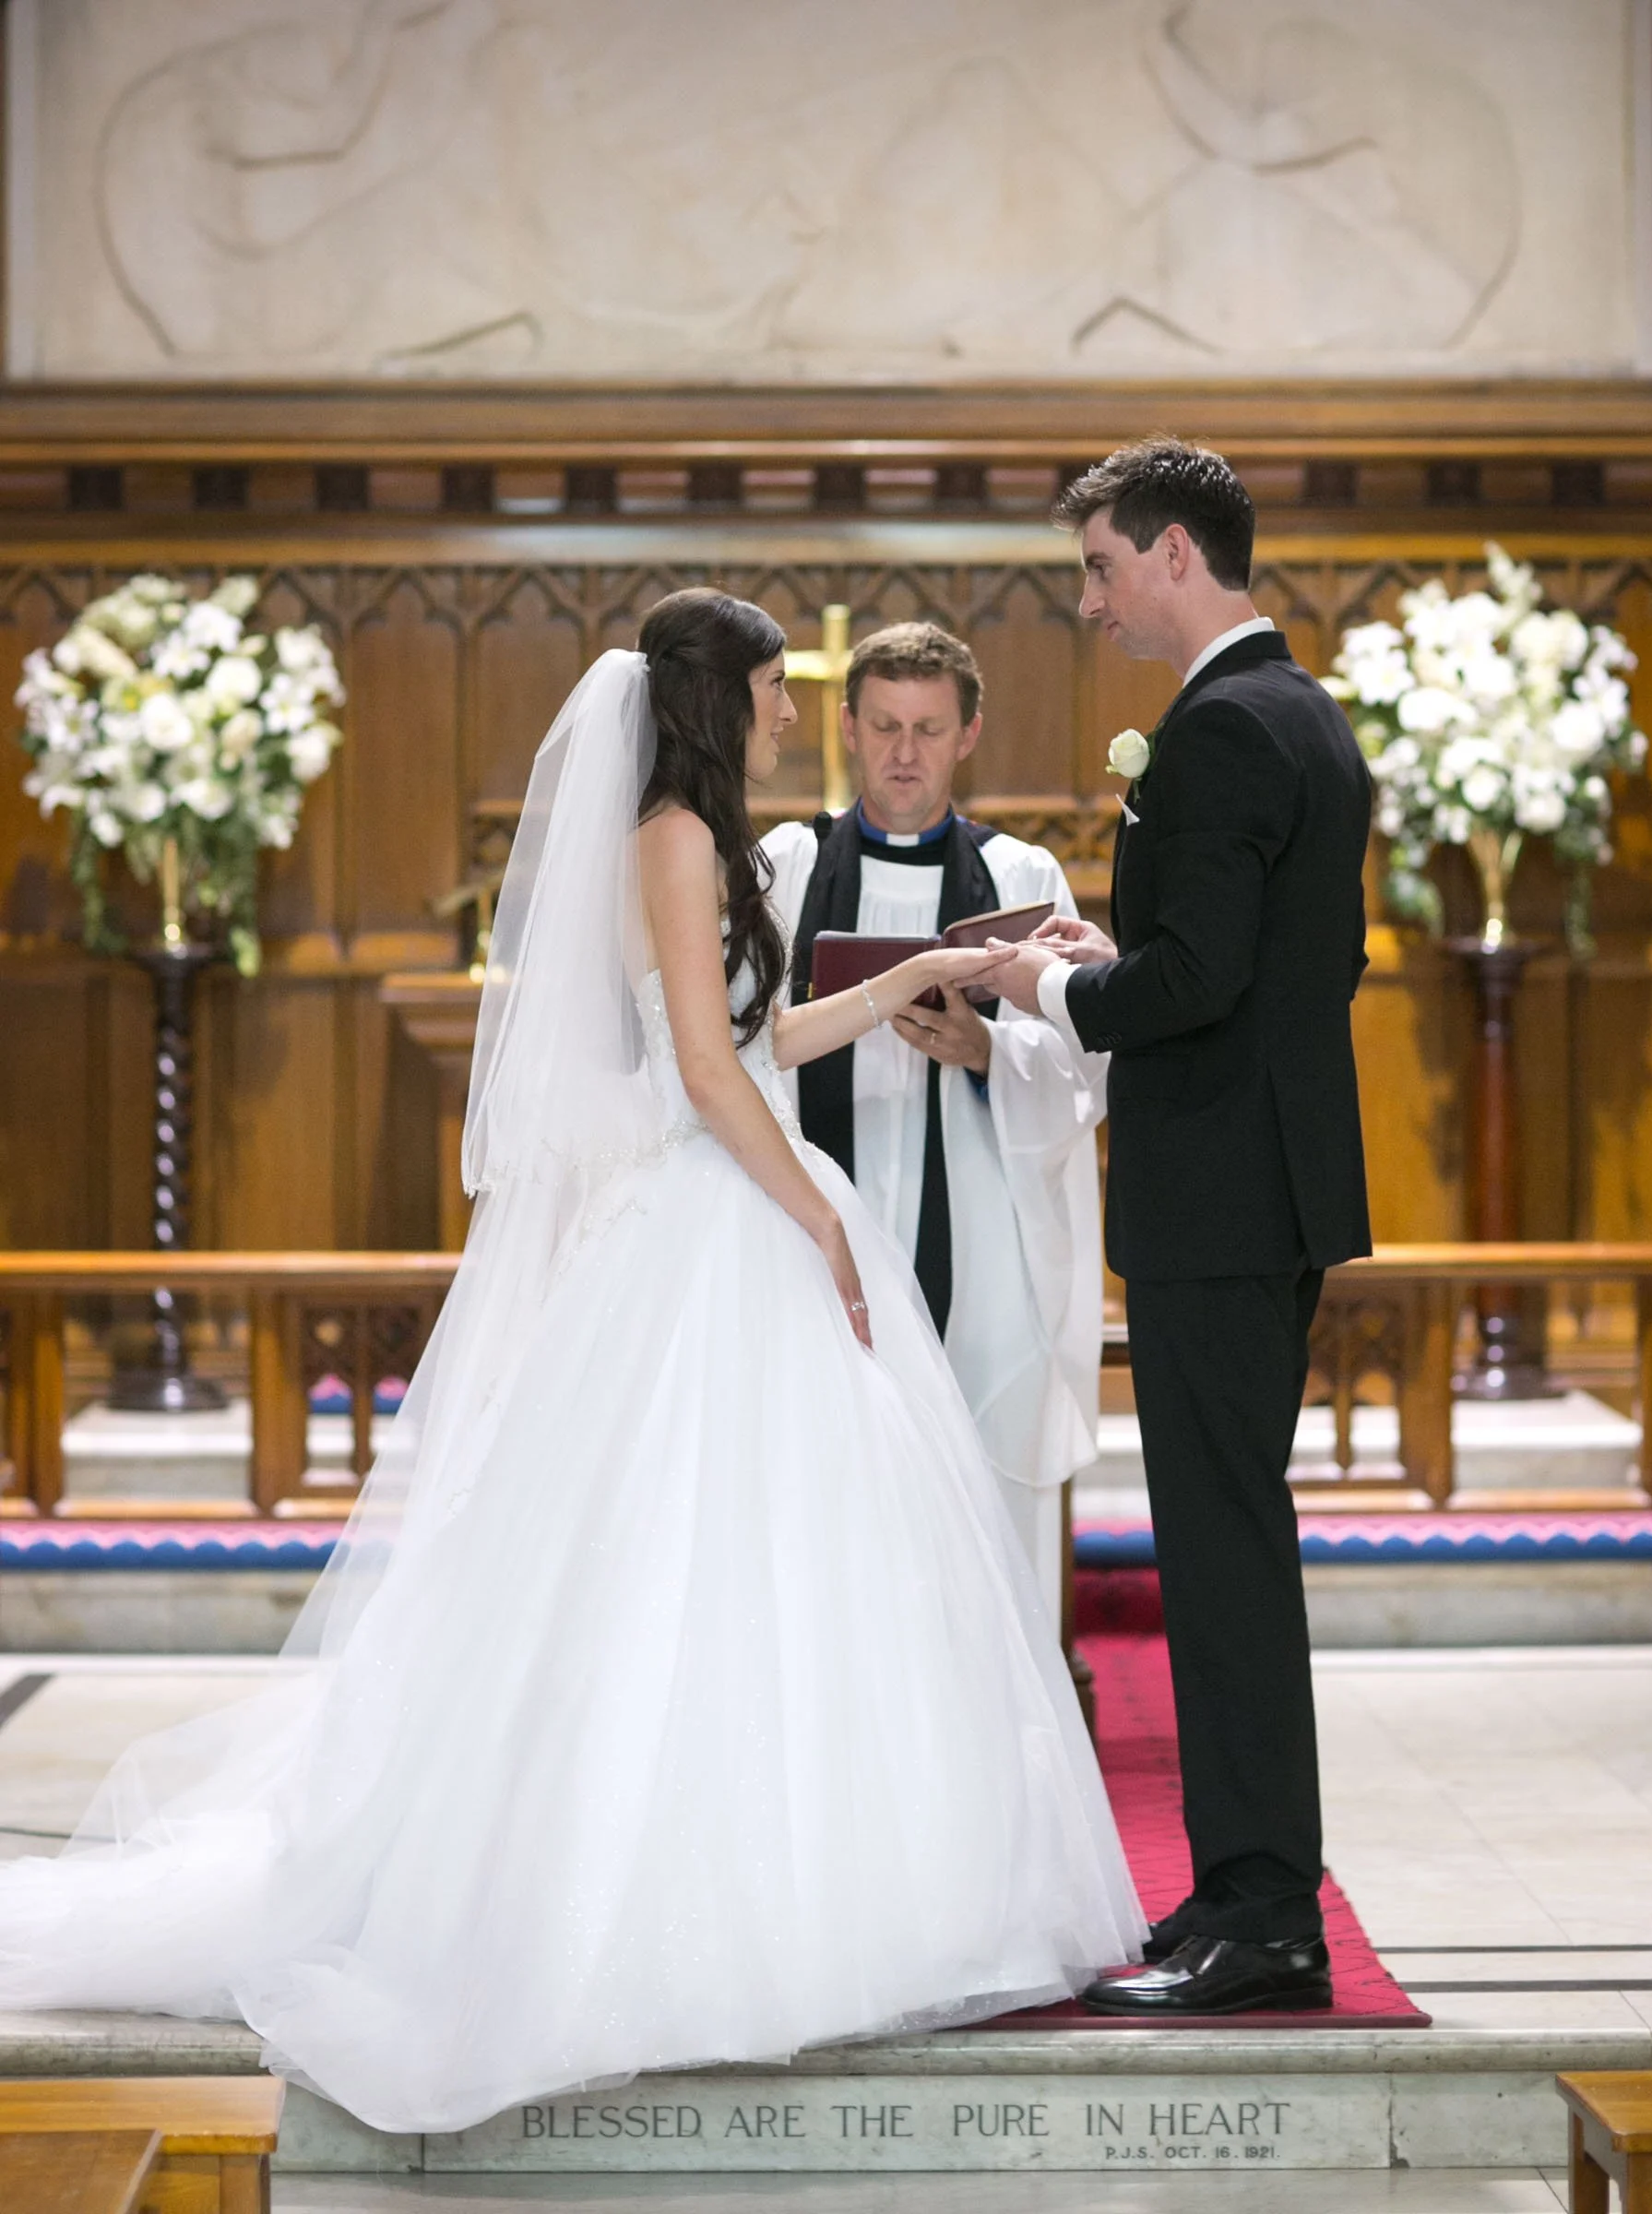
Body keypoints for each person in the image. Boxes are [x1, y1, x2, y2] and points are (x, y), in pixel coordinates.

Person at [0, 589, 1143, 2131]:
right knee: (670, 1566)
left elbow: (753, 1042)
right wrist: (817, 1215)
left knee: (773, 1565)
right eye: (776, 691)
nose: (795, 713)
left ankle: (810, 1862)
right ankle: (676, 1893)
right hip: (709, 1223)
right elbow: (695, 1074)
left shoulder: (711, 839)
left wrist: (886, 992)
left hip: (733, 1199)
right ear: (714, 697)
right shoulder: (672, 838)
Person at [993, 441, 1373, 2017]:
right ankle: (1236, 1891)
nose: (1088, 603)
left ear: (1167, 554)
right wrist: (1118, 948)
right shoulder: (1300, 713)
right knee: (1231, 1546)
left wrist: (1050, 986)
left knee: (1223, 1557)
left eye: (1098, 569)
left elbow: (1200, 984)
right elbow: (1256, 959)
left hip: (1222, 1195)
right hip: (1265, 1185)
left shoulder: (1219, 733)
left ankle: (1264, 1917)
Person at [764, 623, 1107, 1624]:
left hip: (984, 1231)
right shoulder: (786, 866)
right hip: (815, 1224)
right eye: (883, 726)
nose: (903, 753)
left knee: (977, 1504)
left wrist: (987, 1051)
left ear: (969, 735)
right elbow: (731, 1035)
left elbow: (1090, 1059)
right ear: (847, 727)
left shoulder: (1024, 877)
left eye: (927, 728)